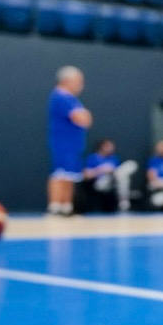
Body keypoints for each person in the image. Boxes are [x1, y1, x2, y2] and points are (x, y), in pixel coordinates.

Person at [47, 66, 92, 216]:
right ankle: (54, 207)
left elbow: (87, 120)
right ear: (68, 80)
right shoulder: (61, 97)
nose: (81, 84)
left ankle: (66, 207)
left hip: (74, 144)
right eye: (79, 81)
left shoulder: (72, 100)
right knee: (60, 174)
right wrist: (84, 116)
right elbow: (81, 118)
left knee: (70, 175)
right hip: (63, 143)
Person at [78, 138, 138, 214]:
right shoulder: (92, 158)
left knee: (129, 166)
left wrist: (112, 171)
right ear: (102, 146)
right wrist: (101, 170)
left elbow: (117, 171)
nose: (112, 148)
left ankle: (123, 200)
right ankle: (123, 201)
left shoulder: (114, 158)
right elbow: (86, 175)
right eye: (109, 146)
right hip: (100, 182)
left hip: (114, 179)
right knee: (120, 176)